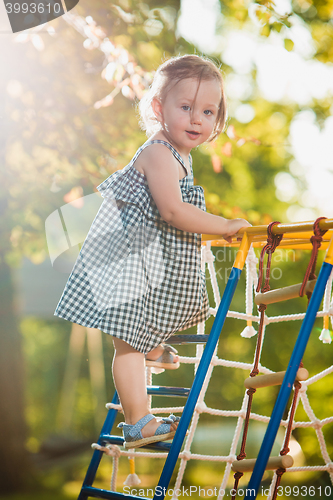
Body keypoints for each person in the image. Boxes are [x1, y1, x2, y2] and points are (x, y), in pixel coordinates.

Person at [54, 54, 251, 449]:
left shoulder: (179, 155)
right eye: (186, 107)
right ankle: (137, 422)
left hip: (146, 262)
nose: (197, 119)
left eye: (208, 111)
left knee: (144, 327)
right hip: (127, 263)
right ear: (159, 108)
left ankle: (154, 343)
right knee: (126, 343)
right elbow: (174, 211)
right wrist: (226, 225)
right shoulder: (160, 153)